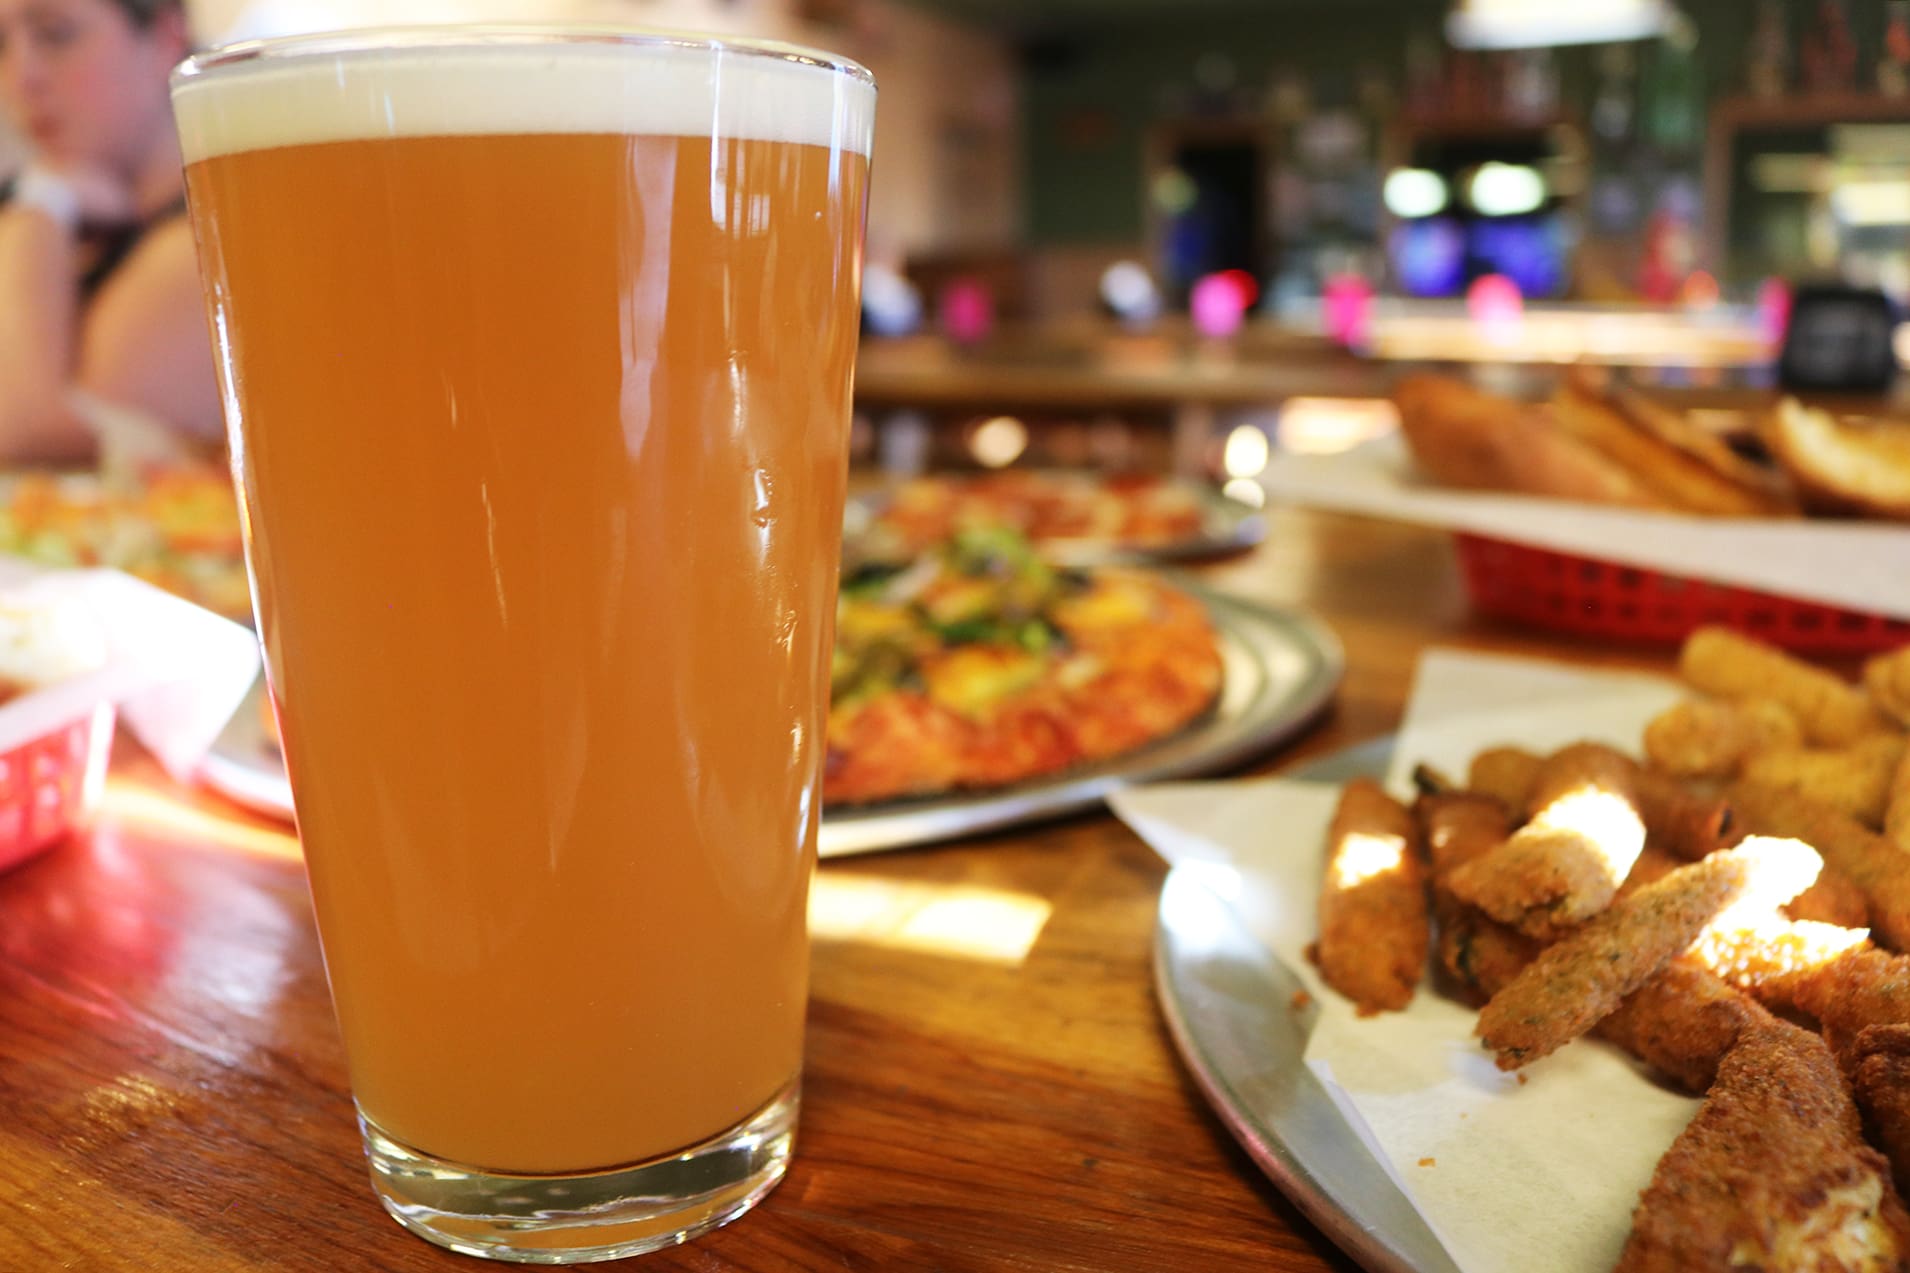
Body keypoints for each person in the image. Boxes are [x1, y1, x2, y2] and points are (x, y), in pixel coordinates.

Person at [0, 0, 218, 465]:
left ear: (166, 38)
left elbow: (23, 436)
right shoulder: (73, 232)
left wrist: (42, 199)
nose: (21, 77)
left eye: (56, 34)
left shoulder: (202, 248)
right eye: (0, 47)